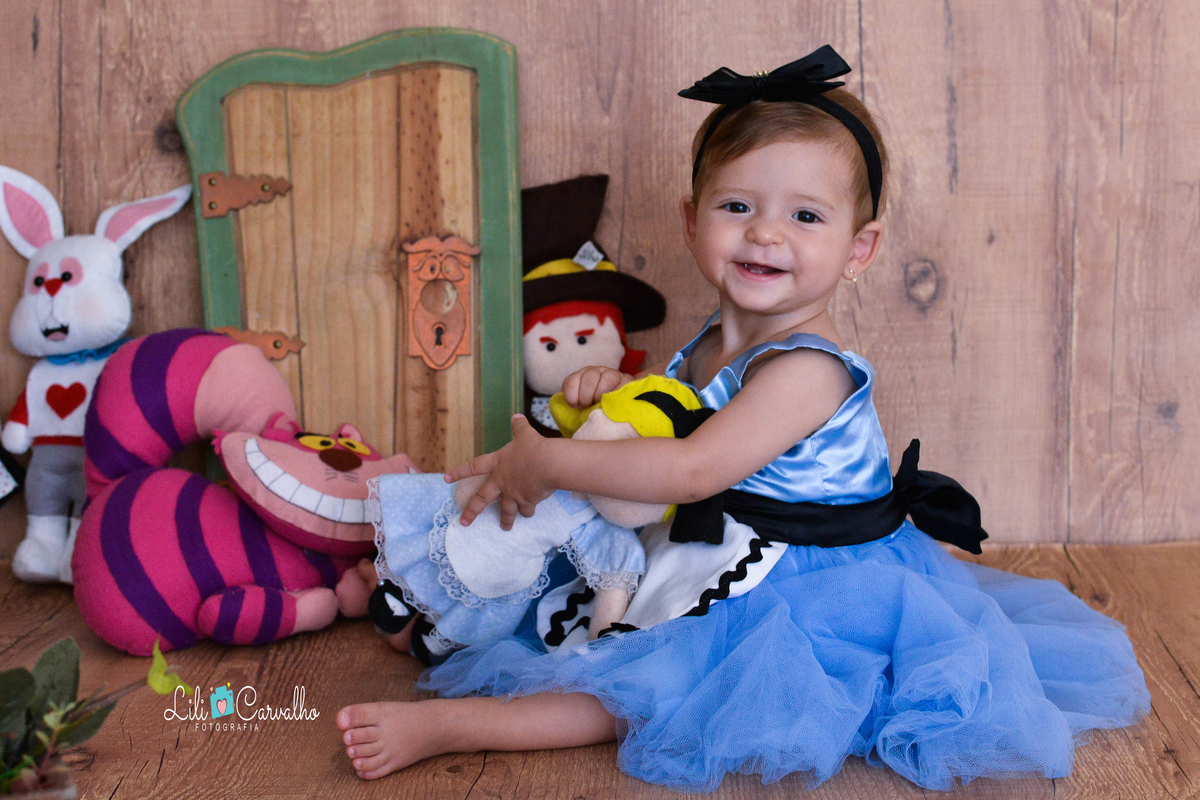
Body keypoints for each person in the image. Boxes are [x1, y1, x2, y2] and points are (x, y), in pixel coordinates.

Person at [336, 45, 1150, 792]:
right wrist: (599, 392)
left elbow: (692, 469)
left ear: (858, 251)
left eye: (806, 216)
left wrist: (549, 461)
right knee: (568, 572)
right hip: (719, 543)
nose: (765, 232)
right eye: (737, 205)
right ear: (692, 222)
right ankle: (432, 598)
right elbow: (658, 428)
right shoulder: (708, 346)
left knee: (649, 684)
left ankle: (456, 726)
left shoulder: (808, 368)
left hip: (807, 584)